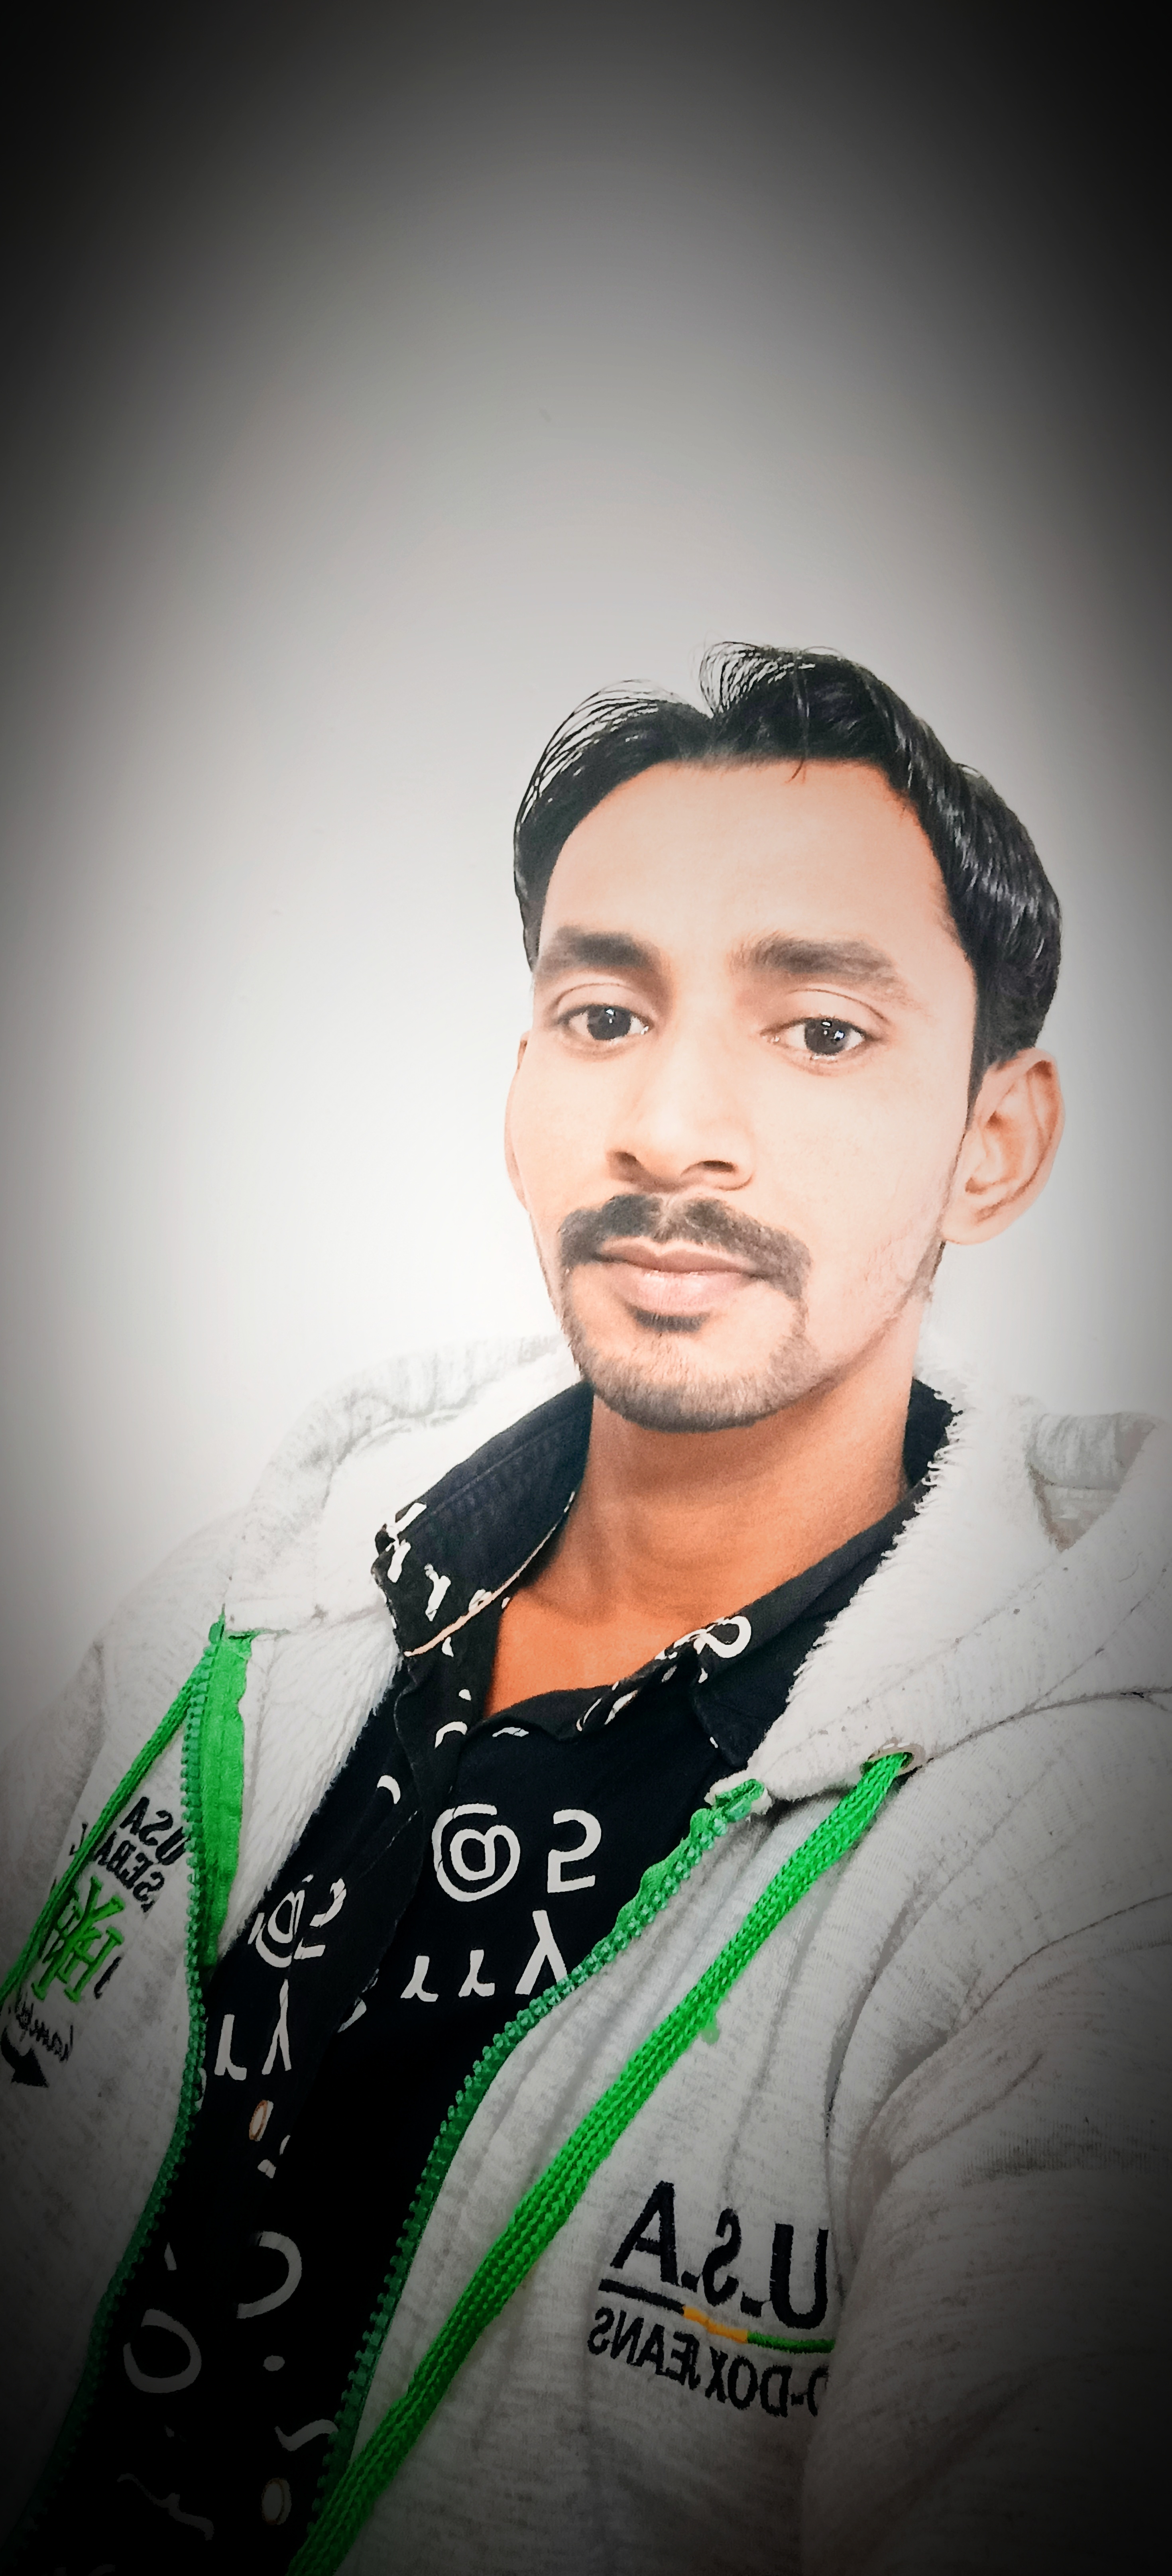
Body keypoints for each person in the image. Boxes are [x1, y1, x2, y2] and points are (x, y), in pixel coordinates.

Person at [1, 645, 1168, 2575]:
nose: (670, 1123)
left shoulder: (1078, 1868)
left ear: (996, 1142)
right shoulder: (243, 1607)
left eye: (821, 1031)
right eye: (604, 1012)